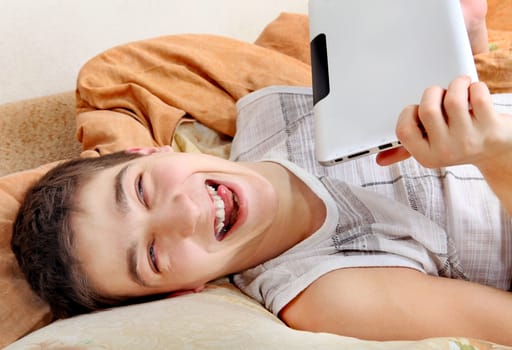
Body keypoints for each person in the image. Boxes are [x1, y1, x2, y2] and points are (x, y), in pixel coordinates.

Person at [11, 0, 512, 345]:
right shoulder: (324, 294)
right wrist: (493, 157)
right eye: (154, 254)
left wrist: (459, 45)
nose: (184, 213)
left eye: (141, 191)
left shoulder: (264, 111)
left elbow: (115, 73)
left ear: (148, 152)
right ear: (184, 291)